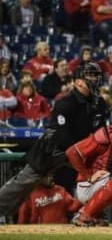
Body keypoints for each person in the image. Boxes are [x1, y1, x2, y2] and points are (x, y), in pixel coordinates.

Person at [0, 62, 106, 224]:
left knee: (101, 174)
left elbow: (100, 133)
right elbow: (63, 138)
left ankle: (91, 214)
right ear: (78, 81)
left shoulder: (99, 103)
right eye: (90, 75)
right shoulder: (65, 103)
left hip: (80, 149)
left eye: (95, 75)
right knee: (25, 181)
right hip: (52, 149)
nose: (94, 79)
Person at [17, 175, 82, 224]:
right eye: (46, 176)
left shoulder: (60, 190)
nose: (50, 178)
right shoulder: (30, 192)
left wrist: (86, 201)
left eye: (50, 175)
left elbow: (73, 206)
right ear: (39, 177)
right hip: (38, 231)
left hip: (60, 230)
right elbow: (23, 215)